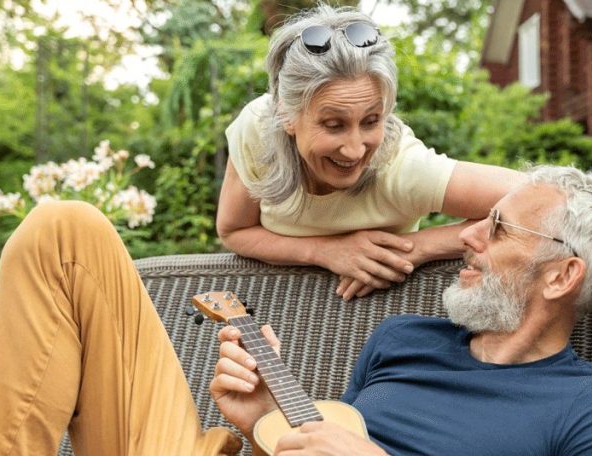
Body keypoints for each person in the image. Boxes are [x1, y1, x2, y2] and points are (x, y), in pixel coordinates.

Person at [0, 165, 592, 456]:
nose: (468, 238)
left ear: (560, 277)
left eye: (498, 227)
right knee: (64, 231)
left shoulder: (591, 409)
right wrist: (266, 422)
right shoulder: (406, 338)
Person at [217, 5, 524, 301]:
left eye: (371, 121)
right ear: (286, 114)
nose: (354, 150)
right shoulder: (257, 128)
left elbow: (549, 202)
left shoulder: (402, 167)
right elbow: (234, 230)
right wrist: (324, 251)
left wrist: (417, 246)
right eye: (334, 125)